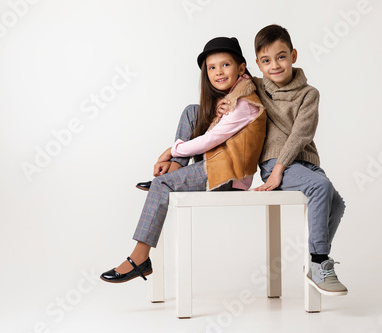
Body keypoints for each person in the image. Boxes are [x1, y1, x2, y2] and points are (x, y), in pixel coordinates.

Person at [100, 37, 266, 283]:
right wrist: (177, 155)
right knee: (192, 111)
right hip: (218, 162)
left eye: (225, 65)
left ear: (241, 68)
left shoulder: (244, 104)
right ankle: (176, 169)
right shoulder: (231, 98)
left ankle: (140, 259)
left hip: (230, 174)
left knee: (161, 185)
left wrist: (171, 150)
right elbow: (210, 135)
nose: (218, 72)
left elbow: (210, 140)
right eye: (212, 67)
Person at [249, 24, 347, 296]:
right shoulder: (256, 87)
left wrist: (284, 167)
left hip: (304, 163)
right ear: (258, 64)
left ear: (293, 55)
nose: (274, 65)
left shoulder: (309, 94)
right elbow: (231, 83)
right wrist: (277, 169)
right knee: (321, 188)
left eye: (281, 56)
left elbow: (301, 133)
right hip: (273, 163)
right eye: (266, 61)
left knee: (337, 204)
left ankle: (316, 258)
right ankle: (319, 262)